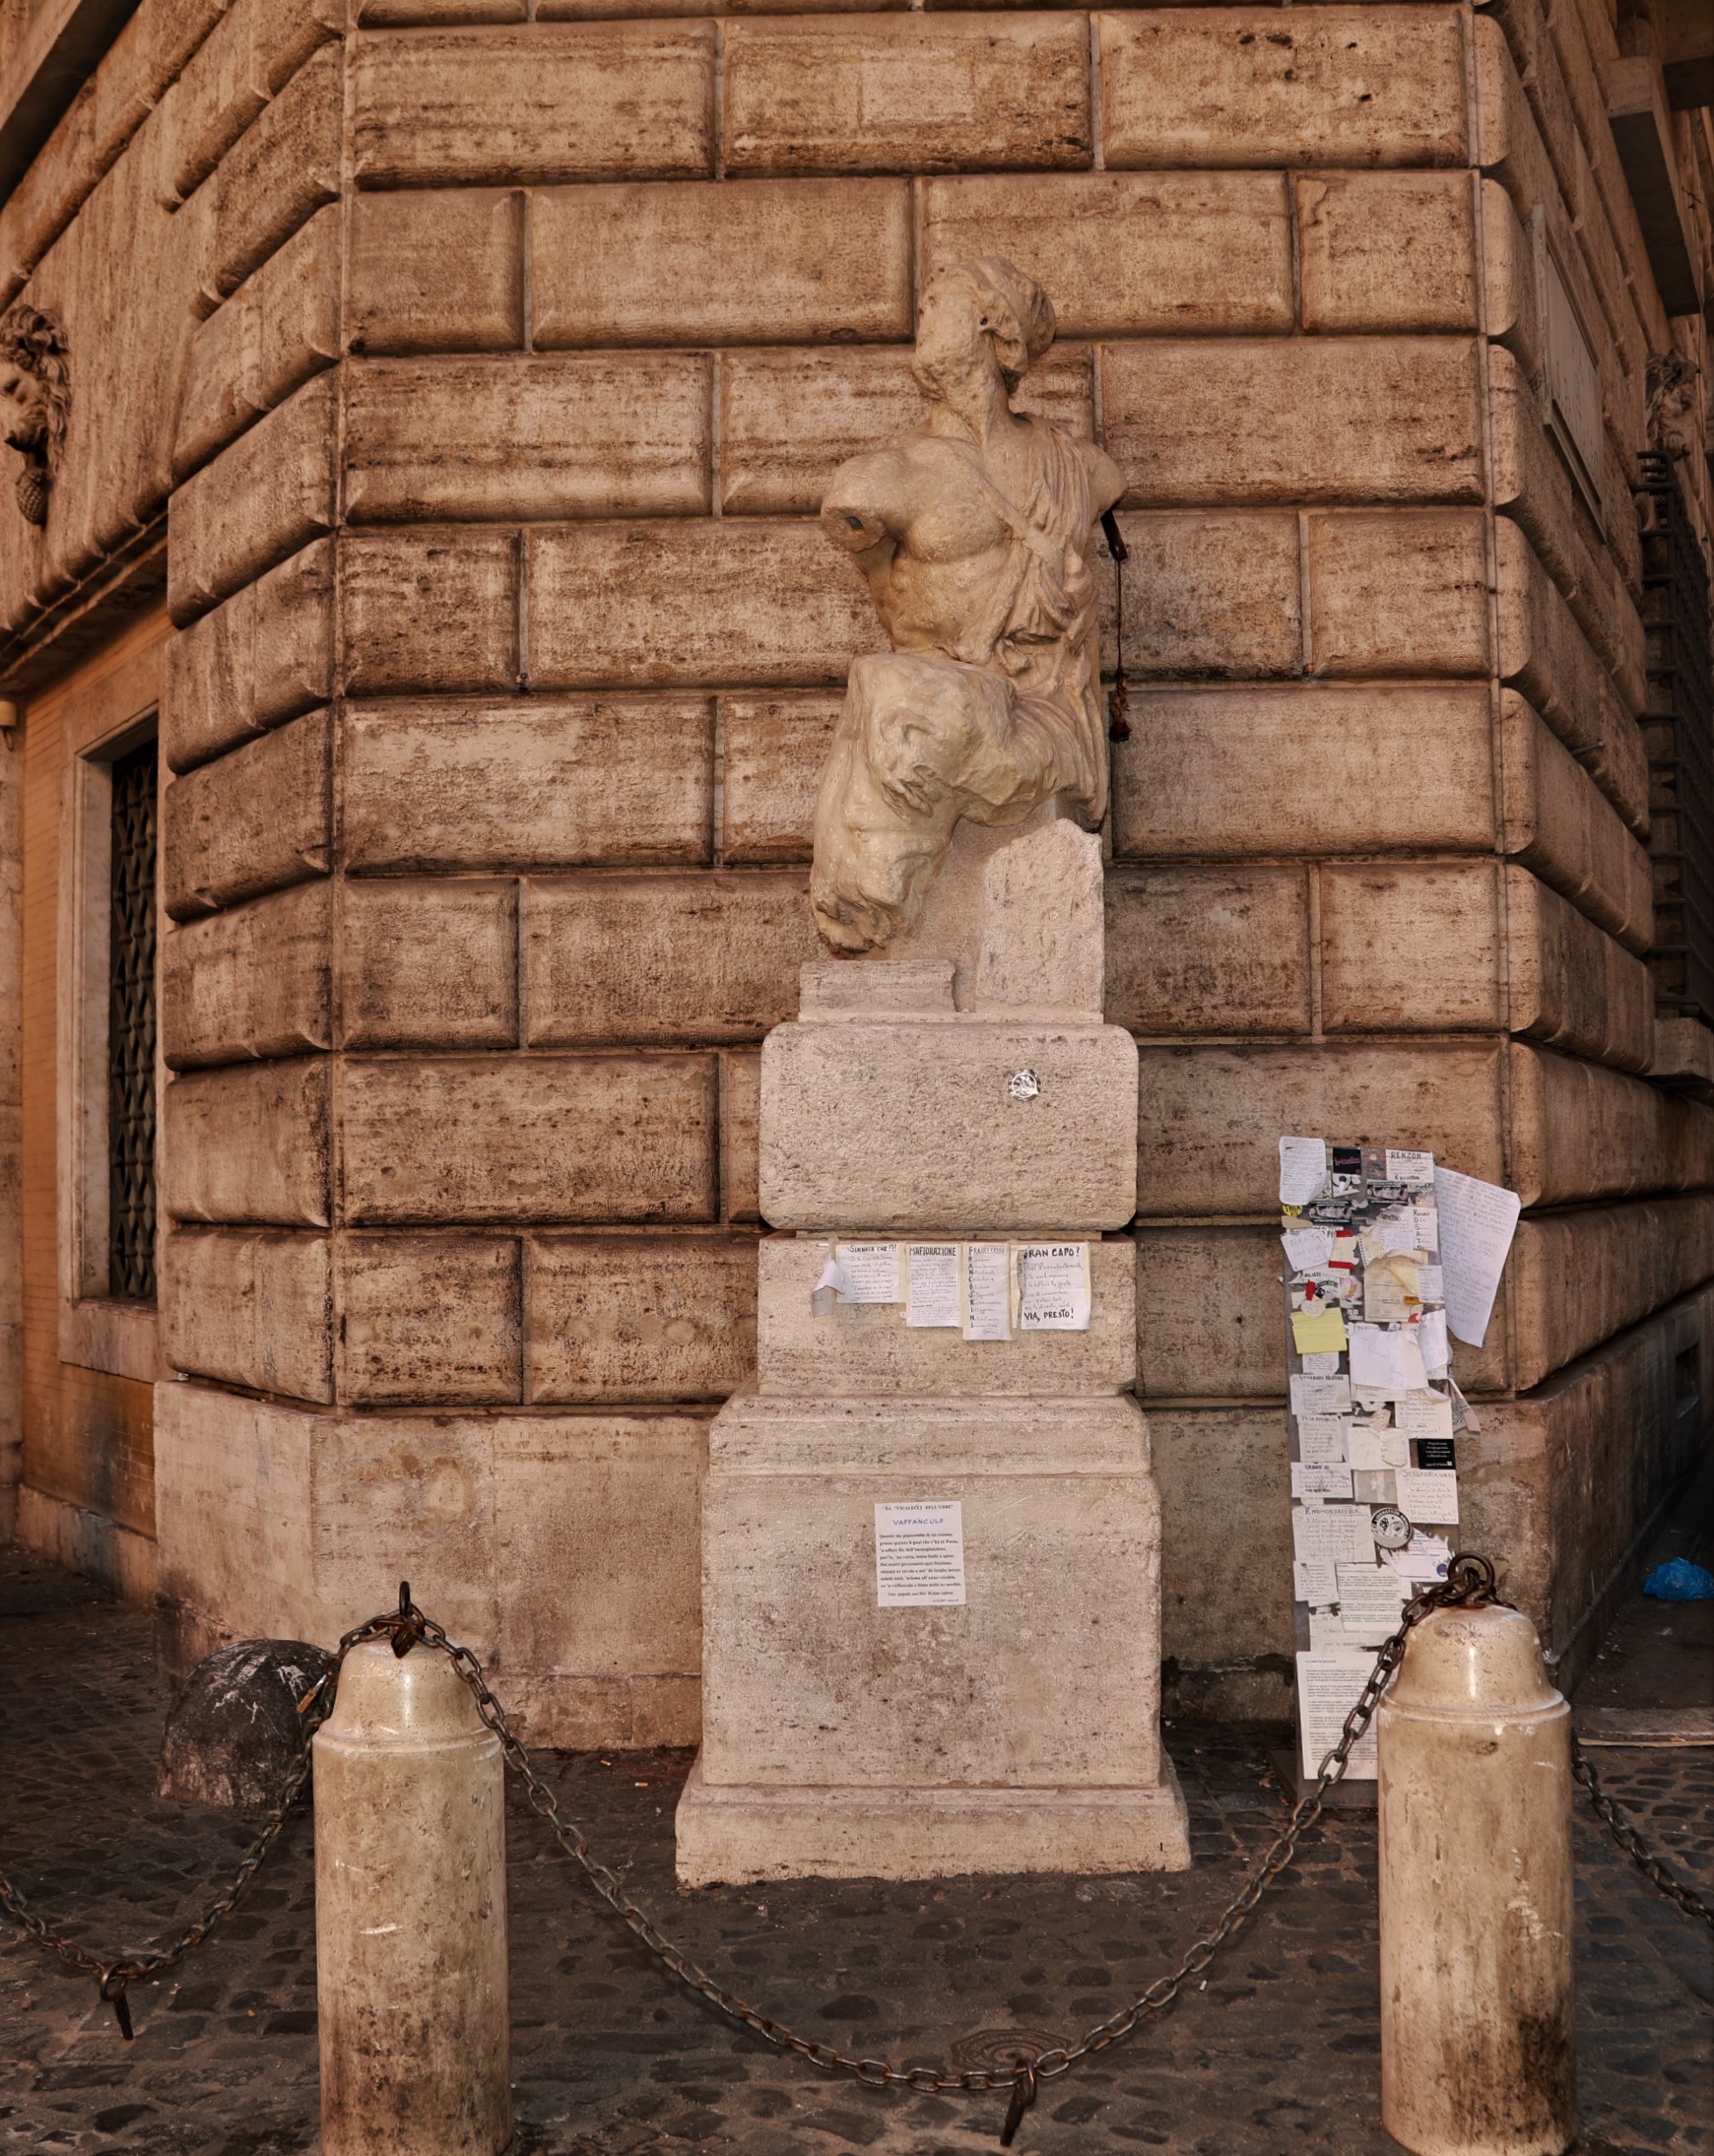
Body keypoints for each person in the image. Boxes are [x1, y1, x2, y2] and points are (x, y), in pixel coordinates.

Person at [812, 256, 1125, 952]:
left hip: (1038, 712)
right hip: (933, 706)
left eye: (935, 300)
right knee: (900, 696)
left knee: (916, 708)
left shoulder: (1076, 468)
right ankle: (869, 915)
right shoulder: (885, 476)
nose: (919, 314)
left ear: (992, 324)